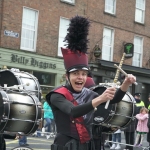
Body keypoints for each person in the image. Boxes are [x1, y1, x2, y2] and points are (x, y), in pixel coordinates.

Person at [46, 15, 136, 150]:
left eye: (83, 74)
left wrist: (126, 84)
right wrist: (100, 98)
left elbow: (113, 100)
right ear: (67, 76)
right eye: (76, 74)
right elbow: (73, 111)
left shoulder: (88, 93)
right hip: (66, 145)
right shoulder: (57, 94)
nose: (80, 78)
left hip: (88, 145)